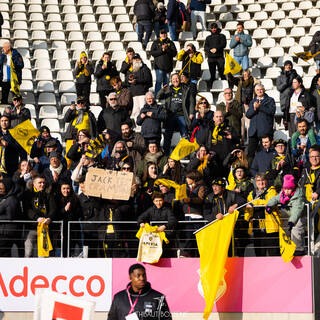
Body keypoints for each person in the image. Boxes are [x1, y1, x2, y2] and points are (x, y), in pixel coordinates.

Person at [157, 73, 195, 155]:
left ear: (180, 79)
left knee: (185, 135)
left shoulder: (186, 88)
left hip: (182, 115)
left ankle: (187, 153)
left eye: (177, 78)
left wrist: (191, 113)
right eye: (173, 79)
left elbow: (192, 101)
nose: (175, 80)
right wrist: (162, 90)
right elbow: (158, 97)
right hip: (170, 116)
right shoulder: (168, 89)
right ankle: (166, 155)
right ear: (171, 80)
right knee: (167, 136)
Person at [267, 174, 305, 255]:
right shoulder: (283, 193)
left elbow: (296, 210)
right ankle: (287, 248)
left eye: (289, 189)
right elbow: (275, 198)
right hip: (288, 215)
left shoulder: (298, 196)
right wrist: (269, 205)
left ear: (293, 188)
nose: (287, 191)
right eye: (285, 188)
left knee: (296, 230)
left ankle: (298, 249)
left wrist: (292, 221)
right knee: (285, 230)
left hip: (299, 215)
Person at [244, 173, 280, 257]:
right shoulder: (252, 193)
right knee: (259, 252)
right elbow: (247, 208)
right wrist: (248, 218)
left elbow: (270, 202)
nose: (261, 182)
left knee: (273, 252)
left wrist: (254, 203)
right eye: (258, 180)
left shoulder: (271, 190)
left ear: (266, 181)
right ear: (255, 182)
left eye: (263, 180)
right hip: (257, 226)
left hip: (270, 226)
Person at [23, 175, 57, 257]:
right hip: (31, 228)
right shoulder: (27, 194)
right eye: (40, 183)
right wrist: (36, 218)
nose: (42, 184)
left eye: (43, 183)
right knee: (28, 254)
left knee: (43, 255)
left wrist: (49, 218)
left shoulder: (49, 194)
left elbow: (53, 209)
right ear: (34, 184)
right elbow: (27, 209)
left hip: (45, 229)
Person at [138, 192, 177, 257]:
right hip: (154, 236)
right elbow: (141, 217)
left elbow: (173, 220)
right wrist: (141, 222)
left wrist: (165, 226)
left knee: (165, 253)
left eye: (160, 200)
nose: (158, 203)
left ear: (163, 200)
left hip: (165, 235)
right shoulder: (150, 210)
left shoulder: (167, 210)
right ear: (153, 201)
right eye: (156, 201)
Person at [227, 69, 259, 143]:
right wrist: (229, 73)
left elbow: (257, 90)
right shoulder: (240, 82)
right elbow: (231, 80)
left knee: (249, 124)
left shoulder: (253, 82)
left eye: (246, 74)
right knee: (241, 123)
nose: (245, 76)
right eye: (244, 74)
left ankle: (249, 139)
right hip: (240, 104)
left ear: (249, 75)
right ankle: (242, 139)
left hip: (249, 105)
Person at [246, 84, 276, 161]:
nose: (259, 91)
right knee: (250, 154)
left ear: (264, 90)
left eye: (261, 89)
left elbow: (271, 111)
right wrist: (254, 109)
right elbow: (248, 115)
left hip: (265, 131)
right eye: (257, 90)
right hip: (253, 132)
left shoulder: (270, 100)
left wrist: (260, 107)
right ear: (255, 91)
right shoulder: (252, 101)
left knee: (266, 152)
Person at [179, 170, 206, 257]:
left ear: (193, 179)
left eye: (188, 178)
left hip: (197, 215)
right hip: (187, 214)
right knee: (189, 235)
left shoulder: (201, 187)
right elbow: (180, 198)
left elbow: (201, 199)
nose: (186, 179)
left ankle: (200, 254)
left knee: (198, 236)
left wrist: (191, 200)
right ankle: (187, 253)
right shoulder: (184, 187)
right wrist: (182, 200)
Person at [206, 110, 239, 176]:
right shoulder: (209, 129)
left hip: (226, 157)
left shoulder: (230, 128)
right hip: (213, 158)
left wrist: (232, 137)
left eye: (221, 116)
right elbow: (204, 141)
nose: (219, 118)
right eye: (217, 117)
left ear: (223, 118)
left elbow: (238, 140)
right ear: (213, 118)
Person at [125, 53, 153, 122]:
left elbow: (148, 79)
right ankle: (137, 126)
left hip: (142, 93)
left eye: (137, 58)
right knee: (135, 111)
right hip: (134, 94)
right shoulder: (131, 69)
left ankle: (143, 125)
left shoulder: (145, 68)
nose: (136, 60)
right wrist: (129, 80)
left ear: (140, 59)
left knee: (142, 110)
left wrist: (136, 81)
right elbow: (126, 80)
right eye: (134, 59)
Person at [150, 29, 177, 96]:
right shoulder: (156, 42)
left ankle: (166, 97)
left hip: (168, 67)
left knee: (166, 83)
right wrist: (162, 50)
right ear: (159, 34)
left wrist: (167, 49)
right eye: (162, 33)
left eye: (164, 33)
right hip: (159, 67)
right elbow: (152, 53)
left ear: (167, 34)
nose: (163, 34)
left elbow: (174, 53)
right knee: (159, 82)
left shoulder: (170, 42)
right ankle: (157, 96)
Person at [0, 178, 22, 257]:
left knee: (4, 254)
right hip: (3, 231)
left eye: (1, 188)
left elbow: (10, 216)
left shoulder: (11, 199)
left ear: (7, 187)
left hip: (7, 232)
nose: (0, 190)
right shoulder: (5, 198)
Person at [204, 22, 227, 88]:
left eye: (215, 28)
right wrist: (210, 50)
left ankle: (225, 87)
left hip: (219, 57)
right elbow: (205, 46)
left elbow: (223, 44)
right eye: (212, 28)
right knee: (212, 74)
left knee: (222, 73)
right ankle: (212, 87)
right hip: (211, 58)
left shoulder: (222, 36)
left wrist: (216, 49)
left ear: (217, 28)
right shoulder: (208, 37)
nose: (213, 29)